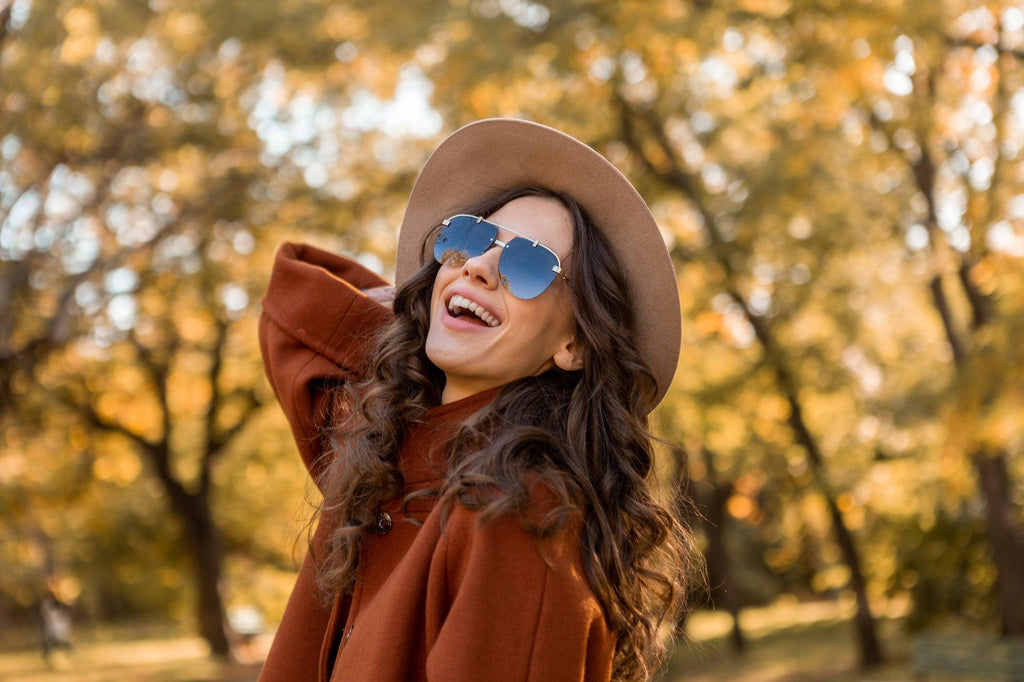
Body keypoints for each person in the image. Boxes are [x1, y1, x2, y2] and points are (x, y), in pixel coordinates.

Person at [257, 119, 700, 682]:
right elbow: (290, 300)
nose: (480, 265)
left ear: (574, 344)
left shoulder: (523, 510)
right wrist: (421, 306)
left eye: (530, 264)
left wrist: (448, 303)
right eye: (470, 238)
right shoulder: (380, 446)